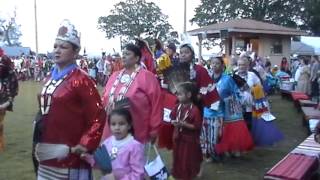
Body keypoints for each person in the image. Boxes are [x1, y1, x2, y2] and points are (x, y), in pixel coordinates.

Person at [33, 20, 106, 179]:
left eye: (63, 47)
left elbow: (98, 116)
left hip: (72, 157)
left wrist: (85, 143)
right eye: (55, 47)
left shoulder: (82, 80)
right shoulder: (49, 78)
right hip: (48, 150)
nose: (57, 51)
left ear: (75, 52)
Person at [101, 43, 162, 144]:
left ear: (137, 58)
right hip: (111, 129)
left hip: (136, 130)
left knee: (132, 157)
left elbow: (156, 103)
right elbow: (105, 97)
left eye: (127, 54)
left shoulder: (147, 76)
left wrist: (154, 128)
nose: (123, 56)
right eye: (123, 54)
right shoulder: (114, 76)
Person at [201, 57, 253, 160]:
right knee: (213, 131)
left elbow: (237, 91)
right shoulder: (208, 78)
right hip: (212, 110)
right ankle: (215, 151)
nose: (214, 65)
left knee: (228, 130)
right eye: (213, 63)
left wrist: (234, 100)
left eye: (217, 63)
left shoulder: (228, 78)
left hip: (228, 107)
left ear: (222, 66)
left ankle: (231, 149)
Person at [83, 108, 145, 180]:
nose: (117, 128)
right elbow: (102, 163)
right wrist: (87, 157)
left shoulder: (134, 146)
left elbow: (138, 173)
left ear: (129, 125)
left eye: (121, 124)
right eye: (113, 124)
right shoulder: (107, 143)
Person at [170, 82, 203, 180]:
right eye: (177, 94)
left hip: (189, 140)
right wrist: (173, 122)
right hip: (177, 137)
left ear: (188, 95)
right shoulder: (177, 107)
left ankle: (187, 175)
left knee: (187, 158)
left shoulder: (195, 110)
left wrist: (184, 124)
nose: (177, 96)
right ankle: (177, 174)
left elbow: (196, 126)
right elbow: (171, 116)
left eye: (180, 94)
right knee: (177, 156)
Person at [0, 54, 19, 152]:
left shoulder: (11, 76)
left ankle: (1, 144)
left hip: (3, 101)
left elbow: (14, 91)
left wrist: (7, 103)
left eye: (2, 65)